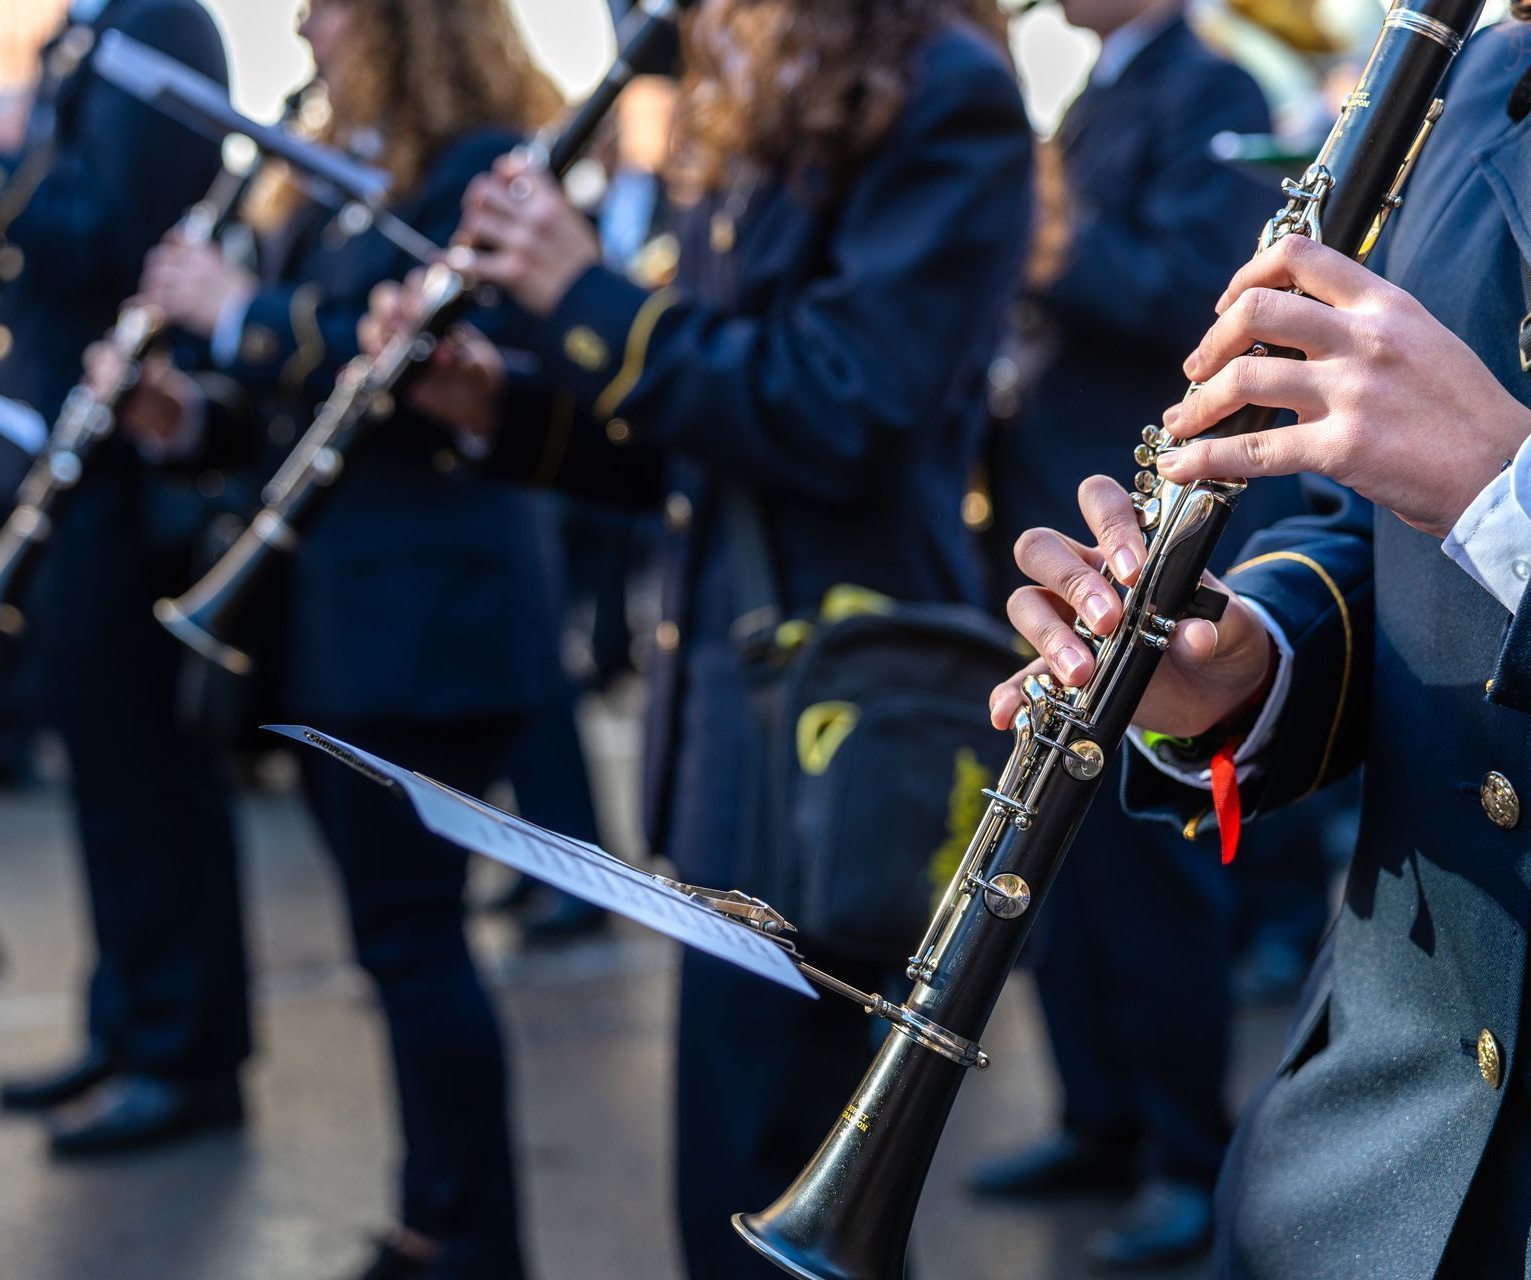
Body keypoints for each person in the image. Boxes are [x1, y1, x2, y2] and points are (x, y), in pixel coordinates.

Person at [361, 2, 1034, 1274]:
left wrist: (585, 294)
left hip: (839, 716)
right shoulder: (760, 105)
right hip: (741, 724)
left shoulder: (947, 91)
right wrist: (499, 405)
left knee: (767, 1179)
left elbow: (843, 408)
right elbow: (702, 455)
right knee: (737, 1177)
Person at [996, 0, 1531, 1270]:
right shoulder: (1489, 68)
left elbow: (1491, 479)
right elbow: (1385, 521)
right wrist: (1256, 658)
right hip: (1369, 1155)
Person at [105, 2, 563, 1274]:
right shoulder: (344, 179)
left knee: (415, 938)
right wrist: (184, 417)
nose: (305, 26)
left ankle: (465, 1238)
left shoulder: (476, 168)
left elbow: (422, 372)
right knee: (397, 937)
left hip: (428, 614)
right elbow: (295, 409)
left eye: (331, 4)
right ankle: (439, 1215)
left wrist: (237, 312)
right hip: (348, 610)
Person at [0, 0, 249, 1156]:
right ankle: (126, 1017)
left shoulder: (159, 23)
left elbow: (103, 238)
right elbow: (19, 250)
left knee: (145, 764)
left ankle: (181, 1048)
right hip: (67, 452)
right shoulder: (90, 30)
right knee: (101, 759)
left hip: (129, 466)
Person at [967, 0, 1287, 1265]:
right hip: (1060, 512)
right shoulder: (1100, 92)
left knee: (1150, 869)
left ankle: (1187, 1152)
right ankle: (1096, 1114)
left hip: (1139, 532)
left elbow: (1192, 300)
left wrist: (1041, 231)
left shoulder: (1210, 89)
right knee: (1061, 856)